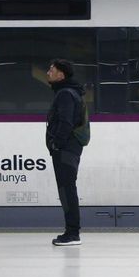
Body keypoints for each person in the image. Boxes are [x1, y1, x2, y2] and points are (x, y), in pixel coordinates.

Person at [45, 58, 86, 246]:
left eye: (51, 70)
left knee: (67, 189)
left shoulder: (65, 95)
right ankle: (72, 231)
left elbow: (65, 122)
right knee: (67, 188)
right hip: (69, 148)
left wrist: (57, 144)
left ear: (61, 75)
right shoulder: (70, 92)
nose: (48, 73)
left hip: (66, 148)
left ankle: (72, 233)